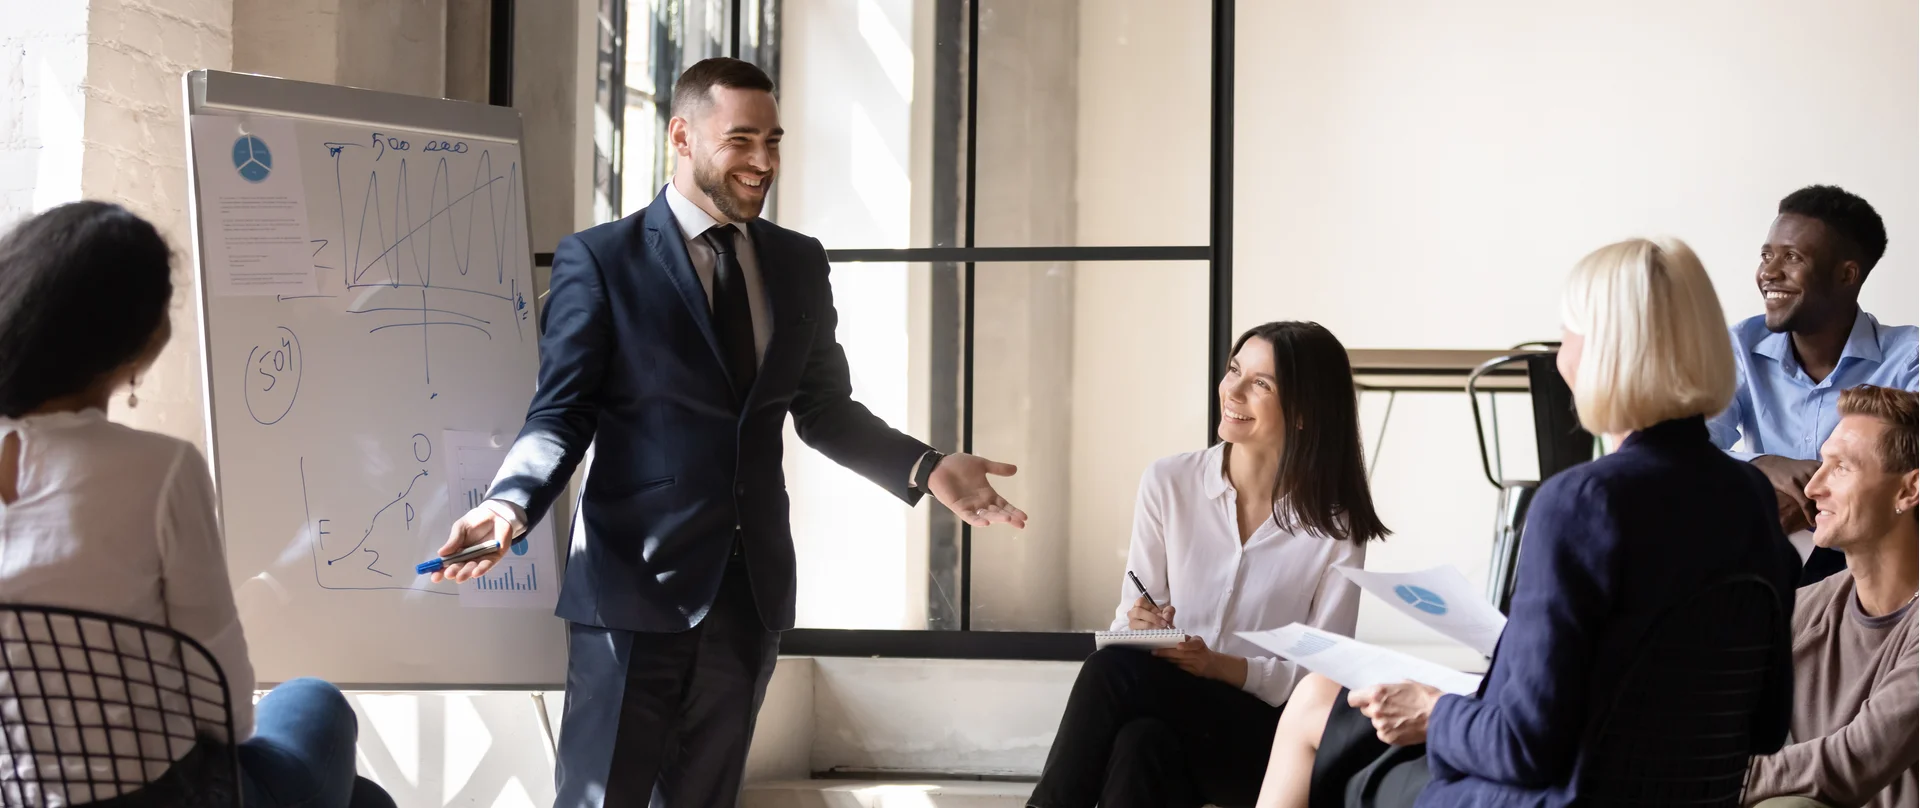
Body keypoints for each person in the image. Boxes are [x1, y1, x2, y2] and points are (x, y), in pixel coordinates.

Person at [429, 58, 1026, 807]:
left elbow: (824, 409)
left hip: (749, 597)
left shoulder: (798, 262)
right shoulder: (601, 260)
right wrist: (509, 504)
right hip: (631, 596)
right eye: (740, 139)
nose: (763, 161)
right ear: (680, 135)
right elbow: (562, 412)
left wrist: (927, 467)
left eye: (773, 141)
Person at [1252, 237, 1801, 808]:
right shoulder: (1750, 500)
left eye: (1568, 333)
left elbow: (1524, 746)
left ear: (1602, 350)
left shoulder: (1582, 502)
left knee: (1317, 717)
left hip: (1550, 798)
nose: (1562, 355)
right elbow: (1763, 724)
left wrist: (1432, 710)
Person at [0, 202, 393, 808]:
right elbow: (226, 709)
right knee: (315, 700)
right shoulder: (160, 470)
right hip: (167, 796)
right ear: (139, 341)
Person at [1026, 321, 1390, 808]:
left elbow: (1318, 678)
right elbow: (1127, 624)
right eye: (1234, 370)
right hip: (1172, 717)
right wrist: (1141, 627)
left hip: (1264, 742)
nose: (1232, 391)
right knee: (1141, 742)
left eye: (1261, 383)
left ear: (1303, 412)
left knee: (1109, 673)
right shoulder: (1168, 483)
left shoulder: (1335, 527)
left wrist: (1220, 666)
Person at [1708, 185, 1919, 584]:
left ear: (1846, 274)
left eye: (1792, 257)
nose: (1769, 272)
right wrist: (1763, 466)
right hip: (1764, 563)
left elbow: (1909, 475)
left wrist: (1811, 495)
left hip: (1877, 573)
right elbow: (1683, 445)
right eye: (1767, 255)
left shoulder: (1909, 359)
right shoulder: (1739, 347)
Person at [1744, 385, 1917, 808]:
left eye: (1841, 468)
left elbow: (1848, 764)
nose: (1813, 487)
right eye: (1823, 463)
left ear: (1907, 491)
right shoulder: (1806, 608)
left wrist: (1712, 778)